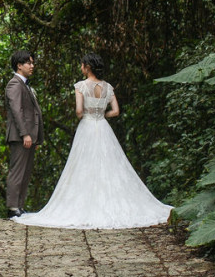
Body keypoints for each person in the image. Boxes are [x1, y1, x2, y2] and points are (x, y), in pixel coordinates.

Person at [13, 52, 172, 229]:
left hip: (87, 127)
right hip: (103, 127)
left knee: (83, 165)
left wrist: (88, 115)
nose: (81, 67)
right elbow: (116, 111)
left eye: (82, 65)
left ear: (87, 67)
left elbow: (79, 111)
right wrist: (102, 115)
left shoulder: (81, 86)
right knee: (110, 165)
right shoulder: (108, 87)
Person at [5, 50, 44, 219]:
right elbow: (16, 111)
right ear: (19, 66)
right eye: (29, 63)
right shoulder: (14, 84)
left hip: (29, 137)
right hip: (20, 136)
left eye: (32, 63)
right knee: (17, 171)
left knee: (26, 172)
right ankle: (13, 207)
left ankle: (19, 206)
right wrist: (25, 134)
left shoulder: (25, 85)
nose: (32, 66)